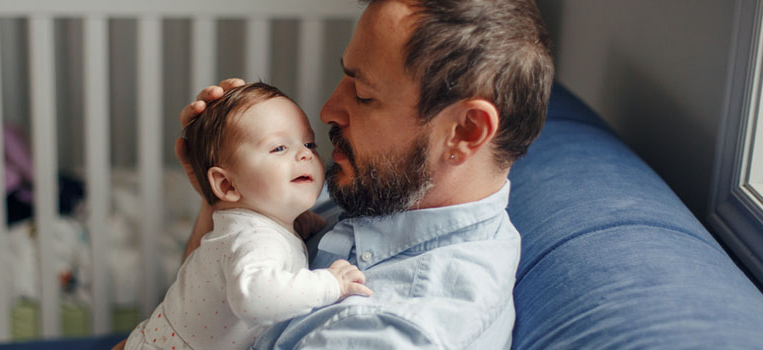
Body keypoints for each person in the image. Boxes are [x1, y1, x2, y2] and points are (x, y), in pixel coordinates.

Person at [176, 0, 553, 348]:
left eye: (363, 94)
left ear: (466, 131)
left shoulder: (377, 330)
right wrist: (232, 206)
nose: (327, 111)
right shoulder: (387, 191)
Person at [120, 83, 372, 350]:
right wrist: (330, 284)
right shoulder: (255, 237)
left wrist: (294, 222)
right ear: (227, 185)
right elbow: (254, 297)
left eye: (309, 143)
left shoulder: (257, 221)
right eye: (278, 148)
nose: (305, 154)